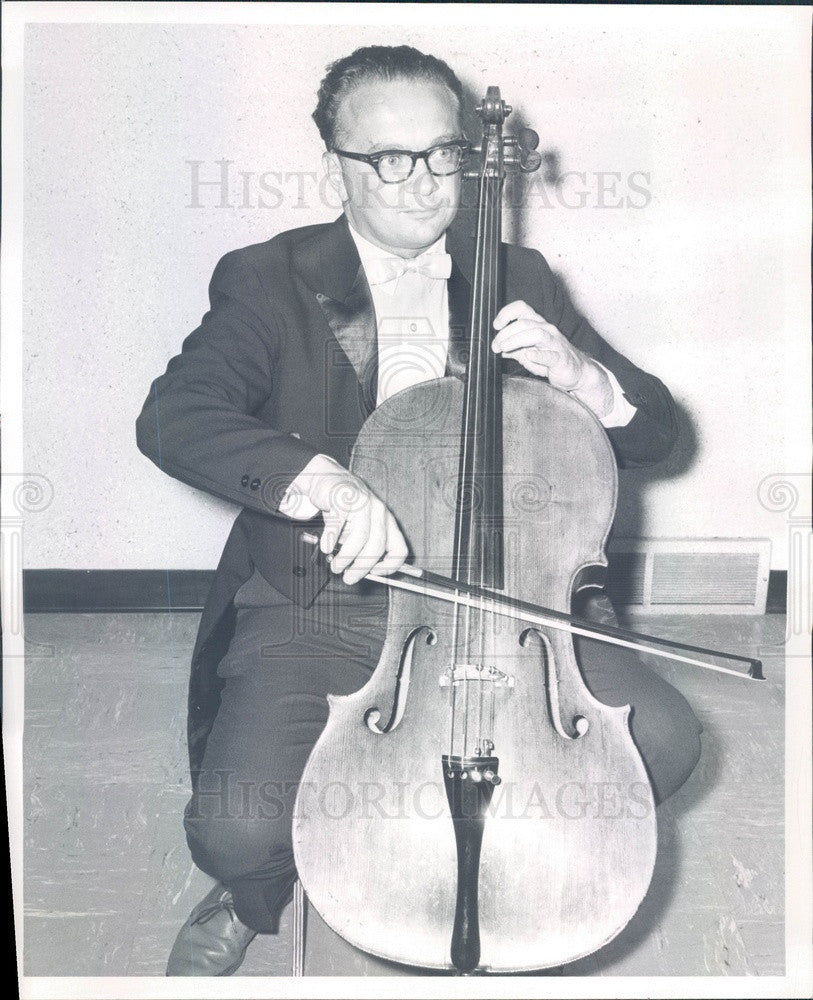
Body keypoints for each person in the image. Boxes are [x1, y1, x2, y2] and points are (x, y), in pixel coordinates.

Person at [136, 45, 702, 977]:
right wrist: (319, 478)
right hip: (321, 597)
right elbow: (175, 415)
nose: (422, 182)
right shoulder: (265, 278)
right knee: (239, 828)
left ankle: (489, 873)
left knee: (662, 747)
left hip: (509, 597)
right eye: (389, 159)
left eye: (443, 154)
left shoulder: (515, 272)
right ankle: (250, 892)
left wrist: (586, 379)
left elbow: (656, 435)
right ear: (336, 169)